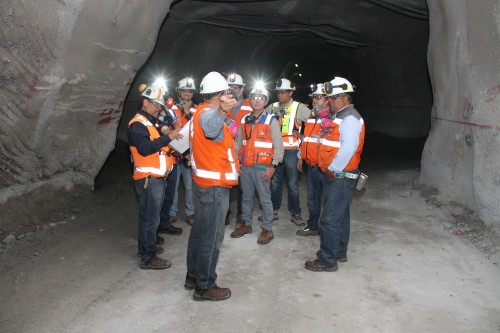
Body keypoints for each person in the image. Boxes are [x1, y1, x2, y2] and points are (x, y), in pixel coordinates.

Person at [184, 71, 239, 301]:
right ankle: (205, 285)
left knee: (199, 230)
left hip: (204, 182)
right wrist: (223, 111)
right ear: (219, 94)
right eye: (225, 92)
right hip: (213, 185)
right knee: (211, 236)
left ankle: (193, 276)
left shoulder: (199, 112)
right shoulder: (208, 114)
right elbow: (210, 128)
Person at [304, 77, 365, 272]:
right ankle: (338, 250)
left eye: (332, 98)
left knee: (329, 218)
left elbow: (349, 148)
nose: (329, 101)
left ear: (344, 98)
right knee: (341, 215)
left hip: (340, 175)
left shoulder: (350, 118)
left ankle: (328, 260)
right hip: (338, 174)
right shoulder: (339, 115)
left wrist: (333, 168)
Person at [128, 78, 182, 270]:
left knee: (150, 217)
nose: (158, 109)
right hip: (148, 179)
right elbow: (144, 148)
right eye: (156, 105)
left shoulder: (150, 123)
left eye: (160, 106)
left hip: (155, 178)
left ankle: (146, 247)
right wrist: (168, 137)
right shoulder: (138, 124)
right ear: (145, 102)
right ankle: (147, 257)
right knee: (150, 219)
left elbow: (158, 147)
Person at [231, 84, 284, 244]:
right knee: (246, 197)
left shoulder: (271, 120)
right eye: (254, 97)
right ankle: (246, 224)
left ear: (266, 101)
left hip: (263, 167)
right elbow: (238, 142)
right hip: (246, 165)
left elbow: (278, 146)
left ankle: (267, 229)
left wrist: (273, 166)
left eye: (261, 98)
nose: (257, 101)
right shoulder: (244, 119)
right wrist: (236, 161)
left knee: (265, 199)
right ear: (250, 100)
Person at [265, 78, 311, 225]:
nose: (280, 95)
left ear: (291, 93)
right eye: (278, 92)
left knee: (292, 184)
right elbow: (261, 121)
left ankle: (295, 212)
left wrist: (303, 138)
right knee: (275, 183)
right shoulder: (272, 107)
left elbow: (314, 123)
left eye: (283, 92)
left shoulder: (299, 107)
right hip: (276, 152)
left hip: (291, 152)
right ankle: (273, 210)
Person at [296, 83, 329, 237]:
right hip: (312, 165)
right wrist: (301, 156)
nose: (315, 100)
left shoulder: (332, 118)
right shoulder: (311, 117)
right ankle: (313, 226)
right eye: (314, 97)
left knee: (329, 201)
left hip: (325, 166)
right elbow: (307, 139)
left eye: (318, 97)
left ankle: (328, 230)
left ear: (327, 99)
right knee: (312, 199)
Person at [168, 77, 197, 226]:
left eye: (189, 91)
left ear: (193, 93)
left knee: (189, 185)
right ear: (178, 92)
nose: (186, 93)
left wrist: (188, 113)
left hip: (189, 153)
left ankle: (190, 212)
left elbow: (199, 129)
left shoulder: (197, 110)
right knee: (173, 184)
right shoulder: (171, 109)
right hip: (174, 152)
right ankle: (172, 213)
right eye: (184, 90)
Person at [225, 72, 252, 225]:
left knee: (244, 186)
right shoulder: (221, 105)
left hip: (243, 152)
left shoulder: (251, 105)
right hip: (225, 152)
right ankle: (225, 213)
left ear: (242, 89)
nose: (234, 90)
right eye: (230, 87)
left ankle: (241, 215)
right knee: (225, 185)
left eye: (237, 87)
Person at [157, 100, 184, 237]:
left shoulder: (171, 113)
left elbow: (179, 128)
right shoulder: (152, 116)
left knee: (169, 194)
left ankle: (164, 223)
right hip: (159, 161)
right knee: (157, 196)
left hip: (173, 159)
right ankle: (155, 228)